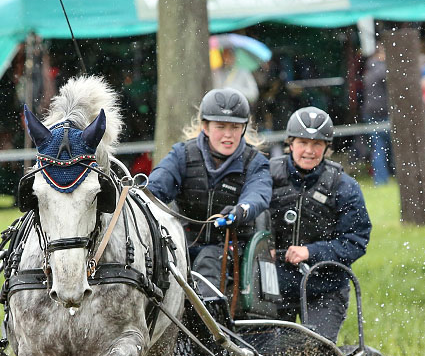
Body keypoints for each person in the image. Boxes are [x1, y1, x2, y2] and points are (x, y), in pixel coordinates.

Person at [147, 88, 272, 294]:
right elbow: (155, 188)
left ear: (243, 128)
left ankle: (204, 322)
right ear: (205, 126)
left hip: (231, 248)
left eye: (234, 127)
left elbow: (258, 195)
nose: (228, 134)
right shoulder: (182, 154)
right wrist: (144, 196)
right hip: (181, 243)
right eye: (220, 126)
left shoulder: (256, 163)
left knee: (208, 258)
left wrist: (240, 211)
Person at [268, 107, 371, 343]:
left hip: (325, 288)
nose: (309, 151)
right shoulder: (266, 176)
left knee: (317, 352)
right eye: (303, 142)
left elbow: (355, 241)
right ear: (290, 143)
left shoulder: (345, 187)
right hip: (273, 286)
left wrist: (310, 252)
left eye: (317, 144)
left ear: (327, 147)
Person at [361, 43, 392, 186]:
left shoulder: (369, 69)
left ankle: (380, 179)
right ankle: (385, 178)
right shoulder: (383, 70)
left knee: (378, 148)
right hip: (383, 113)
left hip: (371, 111)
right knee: (386, 148)